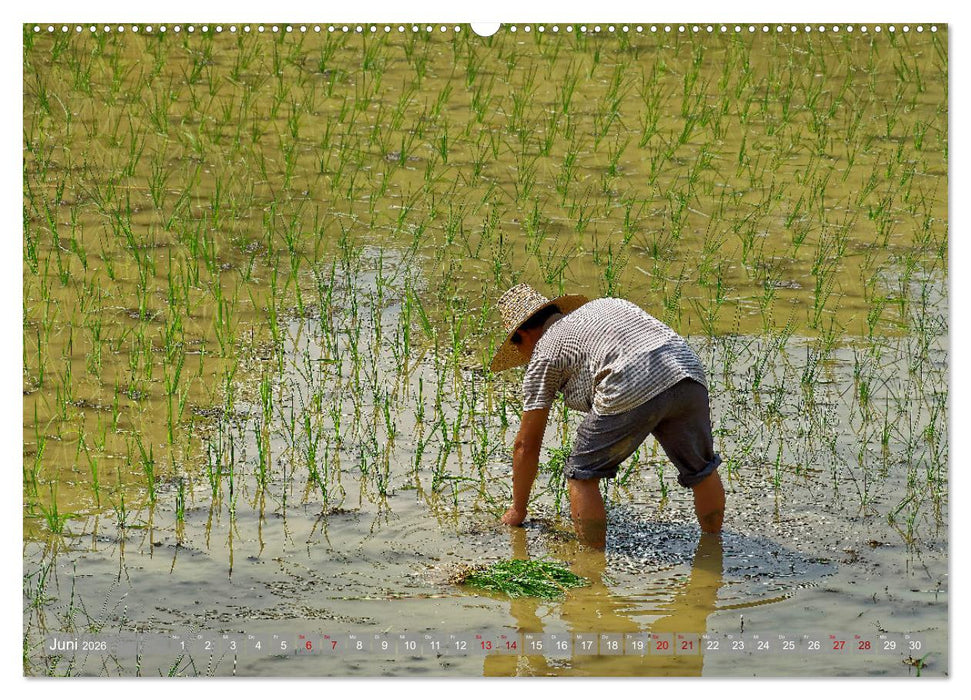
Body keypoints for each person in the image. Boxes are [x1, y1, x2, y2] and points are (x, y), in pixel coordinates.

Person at [490, 283, 725, 549]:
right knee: (702, 469)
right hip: (686, 369)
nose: (523, 357)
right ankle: (713, 547)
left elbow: (526, 445)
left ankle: (592, 566)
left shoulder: (544, 353)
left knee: (582, 474)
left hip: (629, 380)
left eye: (518, 349)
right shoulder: (607, 304)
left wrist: (518, 510)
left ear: (522, 334)